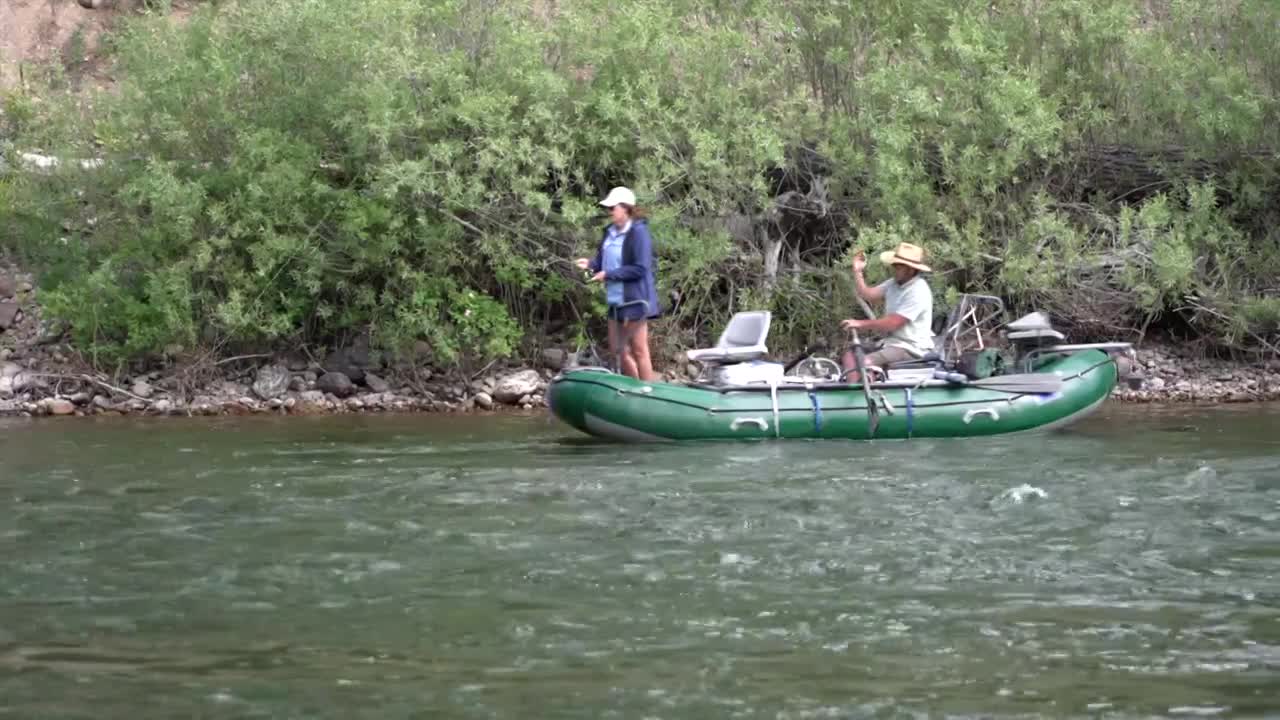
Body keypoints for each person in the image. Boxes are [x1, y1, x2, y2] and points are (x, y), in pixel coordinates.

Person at [574, 186, 660, 381]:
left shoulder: (638, 233)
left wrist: (609, 275)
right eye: (609, 208)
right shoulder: (609, 232)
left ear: (626, 208)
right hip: (615, 300)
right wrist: (590, 264)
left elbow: (640, 268)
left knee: (639, 350)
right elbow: (601, 260)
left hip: (636, 300)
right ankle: (633, 388)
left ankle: (648, 392)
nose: (610, 211)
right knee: (618, 349)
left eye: (613, 208)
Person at [840, 241, 934, 383]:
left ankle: (868, 396)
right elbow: (868, 294)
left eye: (898, 266)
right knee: (850, 354)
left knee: (866, 362)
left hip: (910, 348)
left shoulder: (919, 290)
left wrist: (860, 324)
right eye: (894, 264)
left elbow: (893, 323)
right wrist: (857, 271)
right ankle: (854, 392)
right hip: (890, 343)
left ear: (910, 269)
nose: (894, 268)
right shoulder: (894, 283)